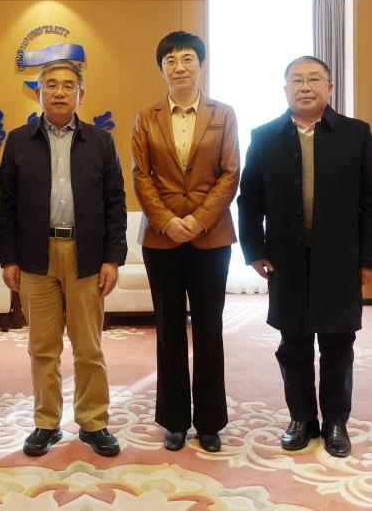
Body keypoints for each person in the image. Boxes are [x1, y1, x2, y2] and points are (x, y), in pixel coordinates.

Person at [237, 55, 372, 458]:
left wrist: (371, 258)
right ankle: (301, 418)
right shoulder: (264, 136)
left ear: (330, 87)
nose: (305, 87)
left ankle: (336, 420)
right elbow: (249, 199)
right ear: (285, 89)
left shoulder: (357, 134)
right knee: (294, 343)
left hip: (340, 259)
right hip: (286, 260)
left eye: (314, 79)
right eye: (296, 80)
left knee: (338, 342)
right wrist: (254, 249)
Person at [0, 59, 127, 458]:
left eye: (68, 85)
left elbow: (115, 203)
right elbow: (6, 205)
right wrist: (9, 258)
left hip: (86, 254)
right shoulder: (19, 141)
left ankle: (93, 421)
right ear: (38, 93)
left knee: (89, 347)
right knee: (42, 347)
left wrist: (112, 258)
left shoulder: (100, 142)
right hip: (35, 256)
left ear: (80, 95)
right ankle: (46, 422)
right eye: (51, 85)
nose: (59, 92)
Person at [130, 31, 239, 453]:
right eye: (170, 61)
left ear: (201, 65)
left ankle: (210, 421)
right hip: (162, 241)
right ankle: (174, 420)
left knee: (210, 328)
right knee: (169, 329)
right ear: (161, 69)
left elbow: (230, 172)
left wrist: (198, 219)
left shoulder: (223, 114)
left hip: (212, 238)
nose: (179, 67)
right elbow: (141, 176)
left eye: (187, 59)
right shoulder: (146, 117)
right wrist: (168, 222)